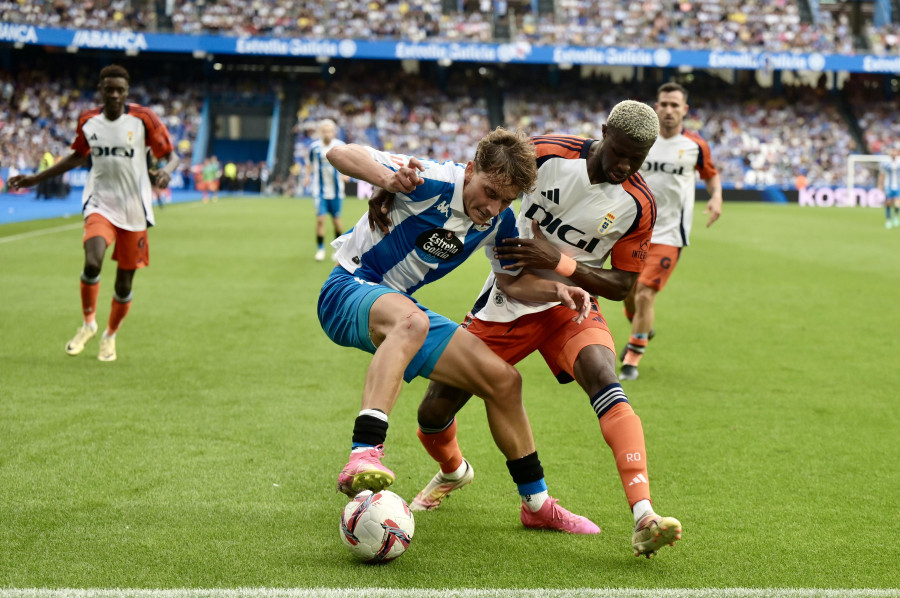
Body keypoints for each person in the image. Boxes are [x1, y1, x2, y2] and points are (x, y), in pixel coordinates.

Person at [372, 100, 682, 557]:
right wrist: (391, 188)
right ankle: (454, 471)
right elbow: (478, 178)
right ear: (602, 133)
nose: (624, 165)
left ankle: (644, 516)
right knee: (432, 415)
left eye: (636, 159)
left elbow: (621, 285)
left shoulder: (638, 203)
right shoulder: (547, 153)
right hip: (509, 296)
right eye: (619, 152)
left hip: (569, 304)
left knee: (604, 376)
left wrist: (559, 263)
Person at [320, 127, 601, 534]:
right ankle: (364, 453)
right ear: (470, 170)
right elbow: (341, 153)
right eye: (489, 192)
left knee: (503, 380)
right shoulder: (430, 179)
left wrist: (557, 289)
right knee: (411, 320)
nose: (493, 207)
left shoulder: (500, 222)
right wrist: (388, 179)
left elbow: (510, 282)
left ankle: (536, 504)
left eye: (506, 200)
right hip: (347, 289)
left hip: (402, 311)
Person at [8, 64, 179, 362]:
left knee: (124, 284)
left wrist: (165, 171)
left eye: (120, 90)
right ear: (100, 90)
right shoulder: (88, 121)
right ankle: (88, 324)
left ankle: (109, 336)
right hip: (100, 202)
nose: (114, 95)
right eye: (108, 89)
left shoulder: (143, 118)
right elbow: (77, 155)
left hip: (135, 209)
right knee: (92, 261)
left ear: (127, 92)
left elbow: (172, 156)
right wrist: (35, 178)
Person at [619, 82, 723, 381]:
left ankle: (631, 359)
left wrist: (716, 197)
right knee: (628, 292)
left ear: (684, 110)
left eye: (674, 105)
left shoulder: (695, 146)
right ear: (656, 106)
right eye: (663, 104)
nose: (668, 110)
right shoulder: (641, 140)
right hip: (632, 230)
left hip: (669, 234)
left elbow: (711, 177)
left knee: (645, 295)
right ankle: (643, 327)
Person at [305, 118, 348, 261]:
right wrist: (307, 176)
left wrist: (346, 175)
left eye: (329, 131)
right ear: (320, 133)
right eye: (324, 131)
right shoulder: (314, 148)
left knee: (336, 221)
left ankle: (337, 250)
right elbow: (309, 163)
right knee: (320, 220)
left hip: (336, 191)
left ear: (334, 132)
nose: (327, 134)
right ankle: (320, 249)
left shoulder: (340, 146)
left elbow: (348, 163)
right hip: (320, 191)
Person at [877, 145, 900, 230]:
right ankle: (888, 219)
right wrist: (880, 184)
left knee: (897, 203)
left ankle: (896, 217)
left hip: (898, 185)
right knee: (888, 203)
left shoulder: (899, 162)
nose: (894, 153)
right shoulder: (885, 163)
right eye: (892, 151)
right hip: (888, 185)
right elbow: (881, 174)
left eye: (895, 151)